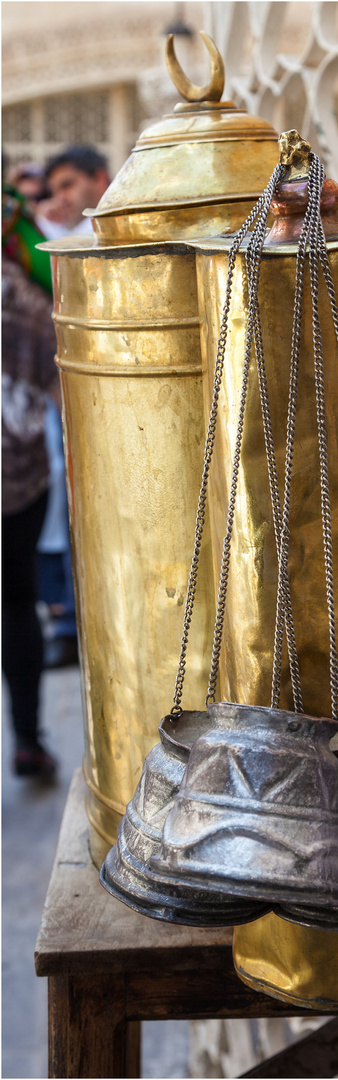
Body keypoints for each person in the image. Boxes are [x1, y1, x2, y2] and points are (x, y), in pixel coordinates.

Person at [37, 146, 110, 667]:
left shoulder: (109, 238)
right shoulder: (56, 245)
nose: (61, 198)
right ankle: (74, 619)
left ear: (98, 179)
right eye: (55, 189)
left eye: (69, 185)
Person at [2, 186, 59, 777]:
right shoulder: (28, 300)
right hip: (18, 485)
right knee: (18, 605)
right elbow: (62, 394)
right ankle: (26, 741)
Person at [37, 144, 110, 240]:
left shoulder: (125, 223)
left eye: (67, 185)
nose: (59, 198)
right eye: (53, 191)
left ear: (99, 179)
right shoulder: (60, 227)